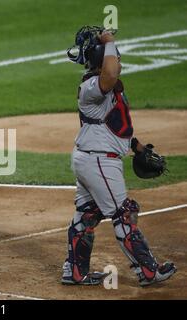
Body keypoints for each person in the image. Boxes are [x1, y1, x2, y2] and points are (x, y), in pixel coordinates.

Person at [62, 26, 176, 286]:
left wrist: (136, 146)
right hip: (99, 161)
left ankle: (74, 271)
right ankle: (147, 271)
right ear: (103, 59)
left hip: (91, 158)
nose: (118, 60)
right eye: (114, 55)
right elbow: (110, 73)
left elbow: (112, 124)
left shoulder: (105, 88)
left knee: (86, 215)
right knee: (123, 215)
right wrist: (109, 41)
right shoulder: (93, 86)